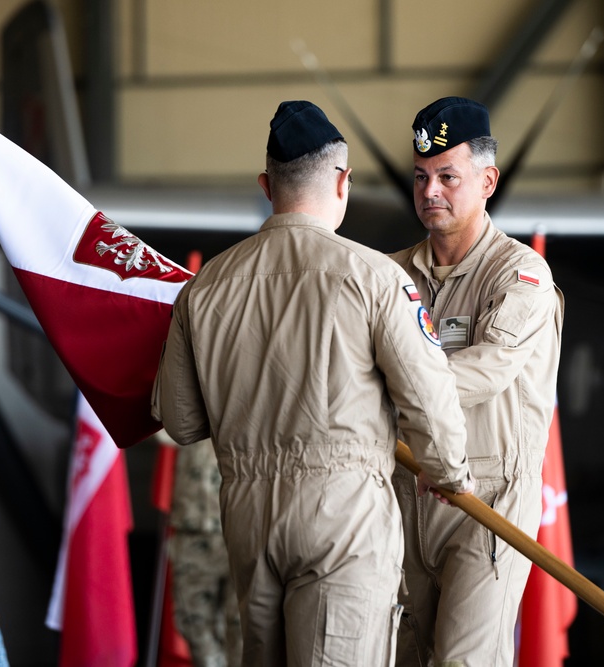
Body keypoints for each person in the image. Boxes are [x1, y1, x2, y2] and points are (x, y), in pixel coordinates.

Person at [153, 100, 475, 667]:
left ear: (265, 185)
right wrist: (450, 476)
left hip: (248, 519)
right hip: (342, 521)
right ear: (343, 182)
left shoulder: (204, 288)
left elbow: (179, 422)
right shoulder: (376, 277)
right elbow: (431, 402)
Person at [389, 96, 565, 666]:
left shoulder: (521, 275)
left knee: (465, 662)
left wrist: (379, 391)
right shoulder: (388, 277)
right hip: (404, 497)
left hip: (486, 502)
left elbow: (487, 369)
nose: (430, 191)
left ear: (488, 181)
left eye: (447, 176)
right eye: (420, 178)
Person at [166, 436, 241, 667]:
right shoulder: (189, 404)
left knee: (242, 626)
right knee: (193, 621)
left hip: (240, 530)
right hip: (193, 527)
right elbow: (157, 425)